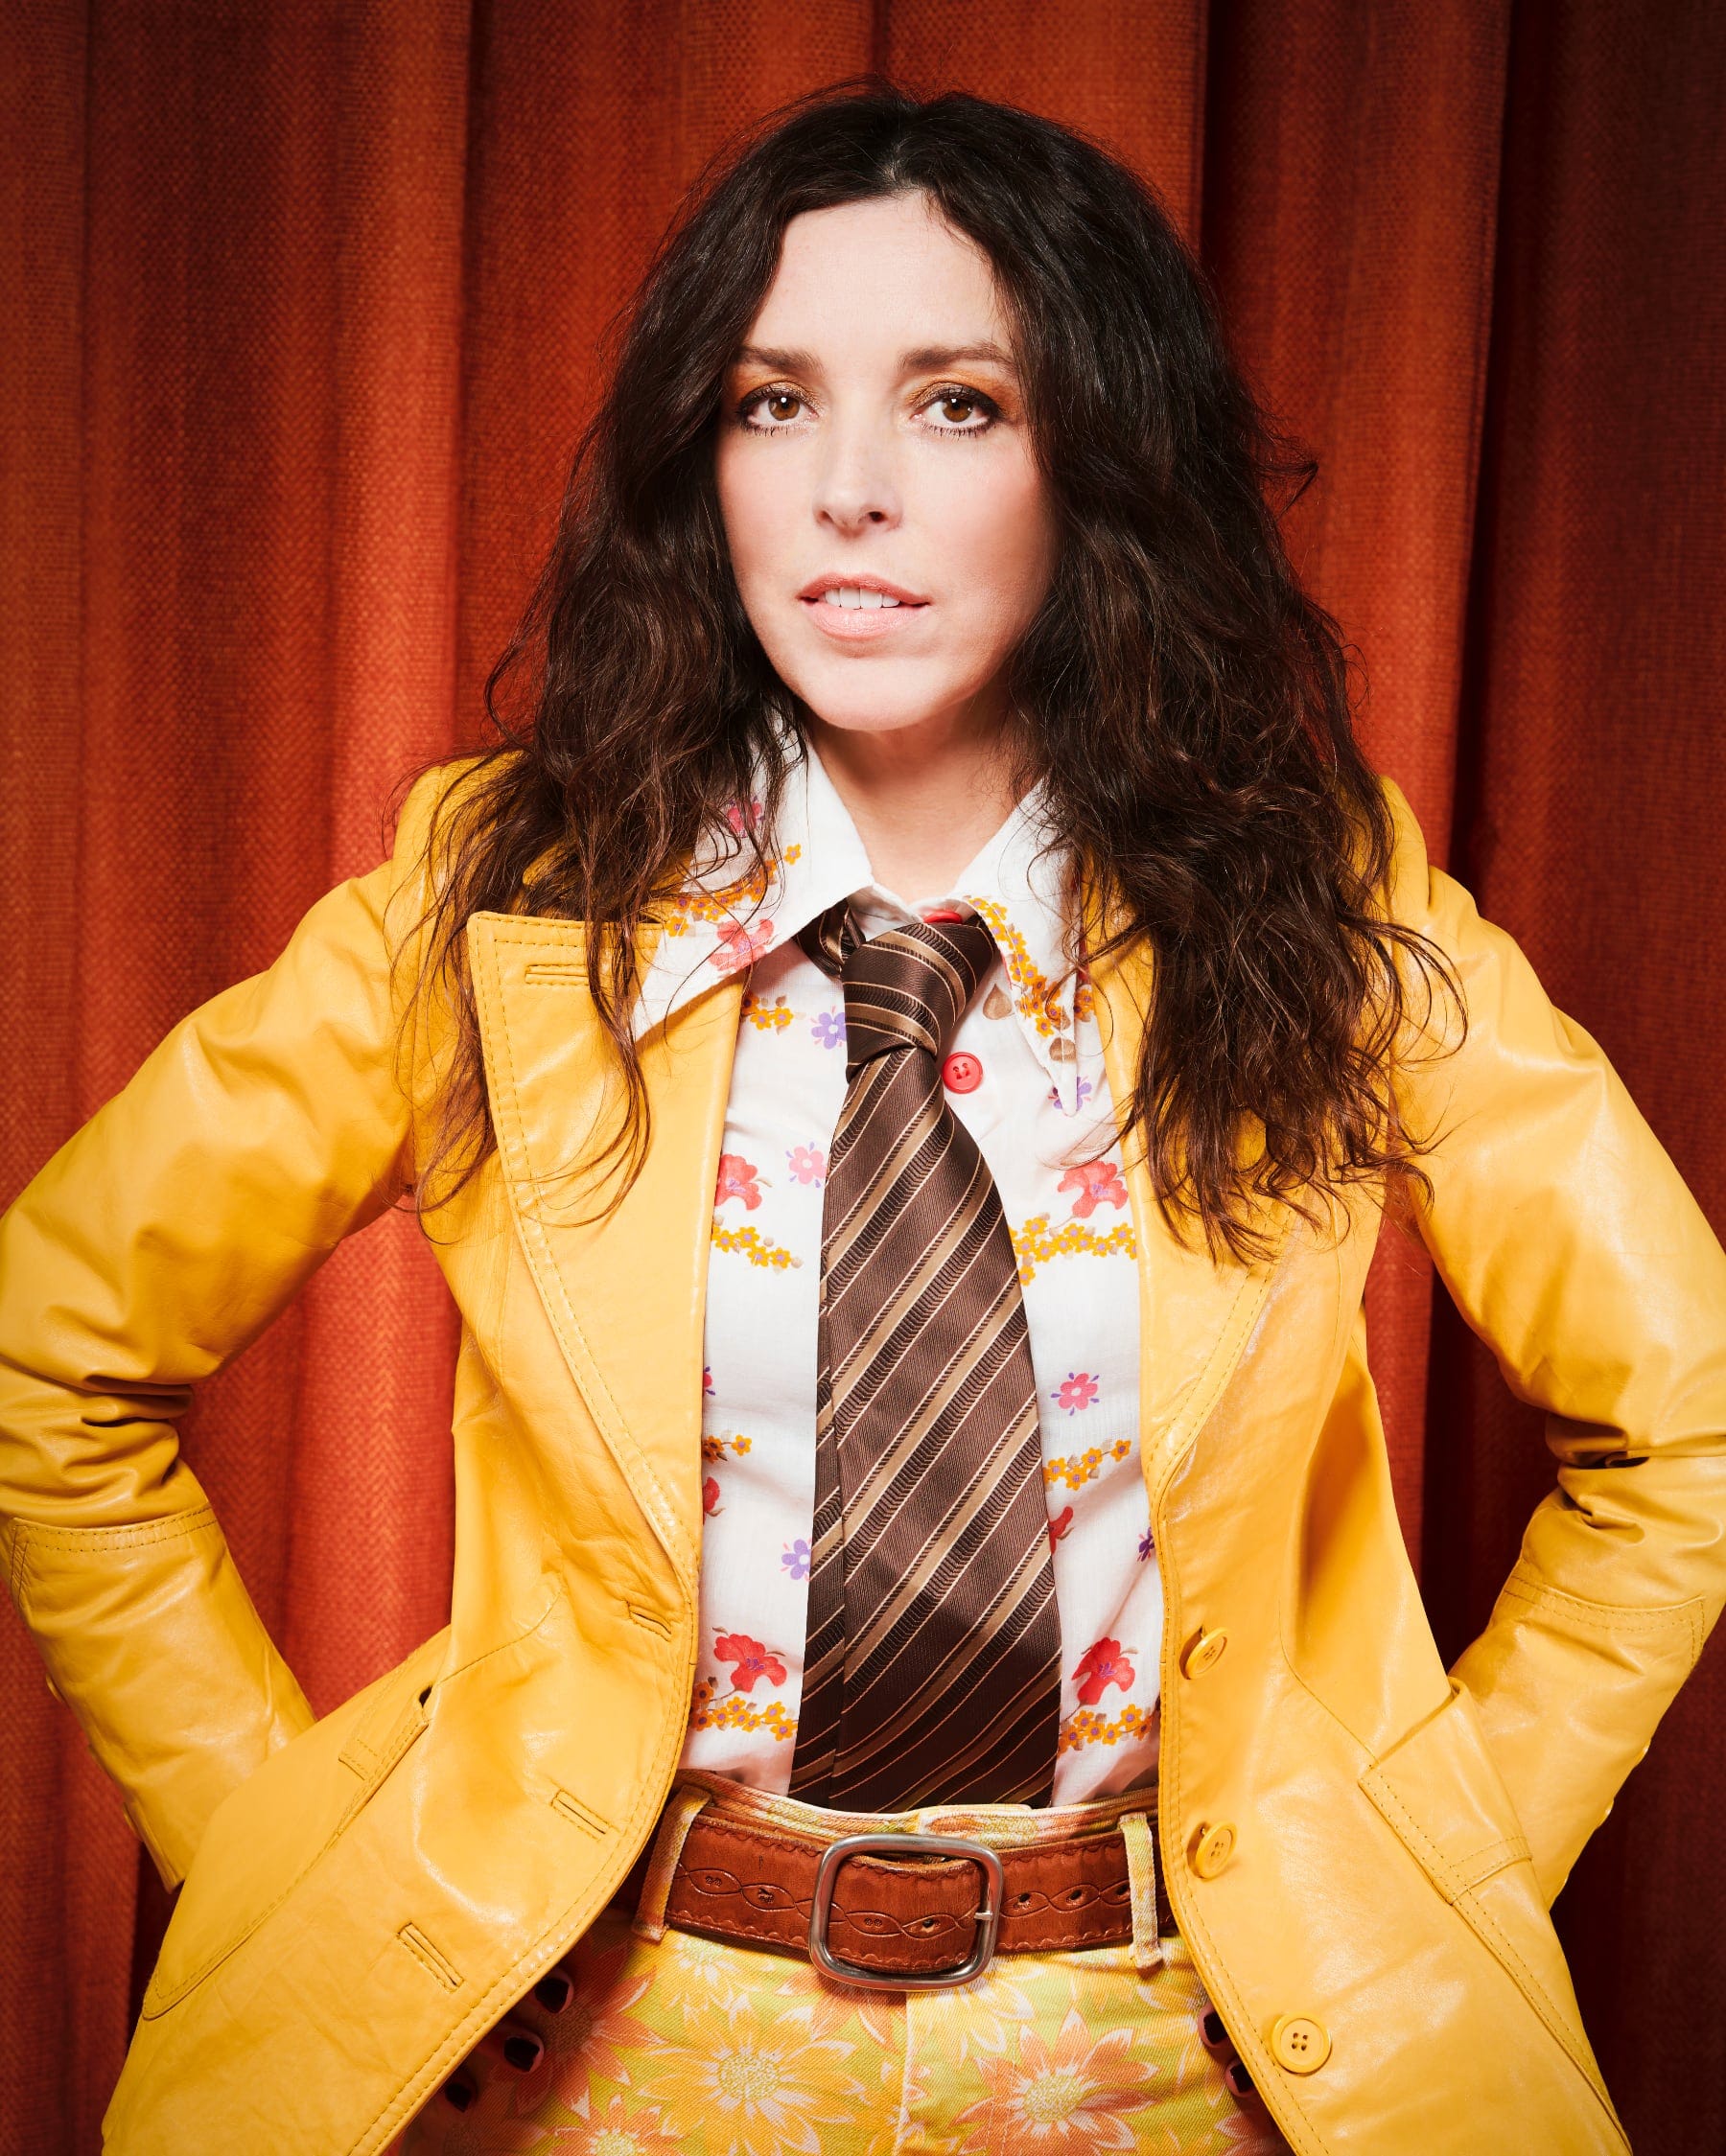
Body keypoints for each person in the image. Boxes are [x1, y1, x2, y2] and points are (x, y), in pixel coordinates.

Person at [2, 81, 1721, 2156]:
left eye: (958, 405)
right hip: (620, 2055)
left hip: (1187, 2061)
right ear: (697, 466)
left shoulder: (1327, 906)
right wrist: (285, 1855)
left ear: (1101, 456)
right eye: (771, 402)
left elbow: (1690, 1425)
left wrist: (1423, 1876)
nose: (849, 493)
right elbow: (49, 1360)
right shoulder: (495, 915)